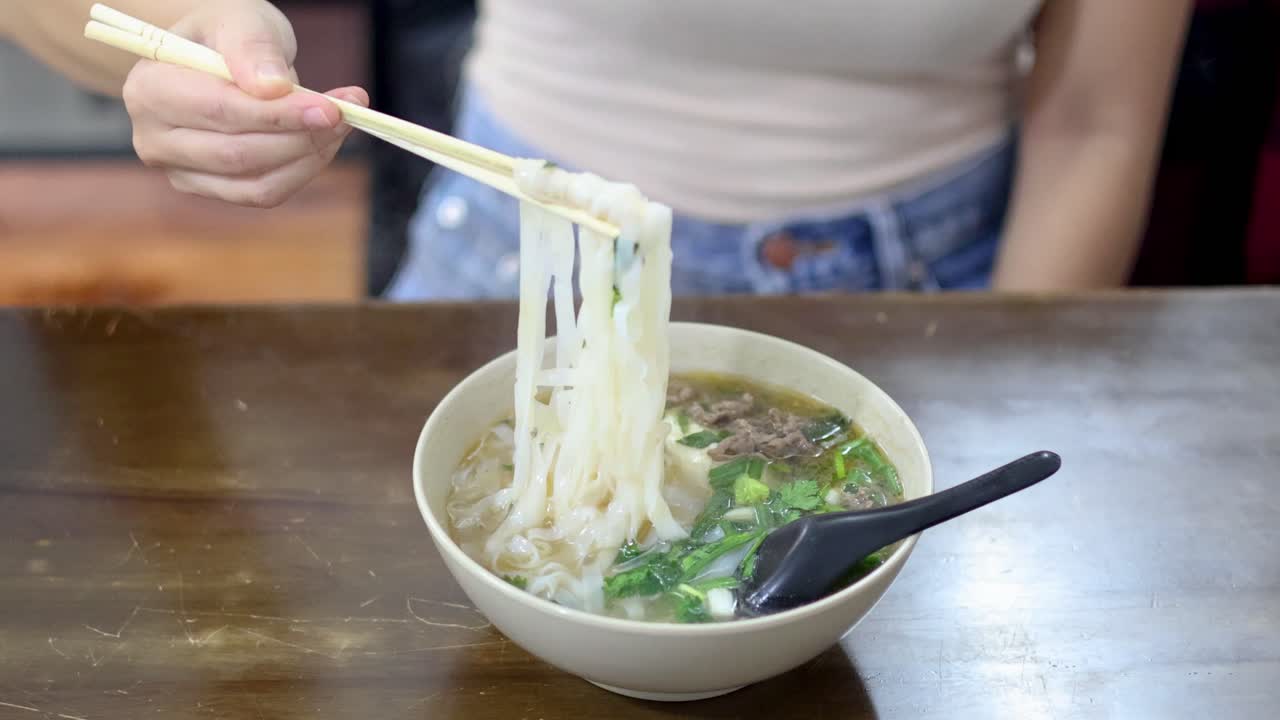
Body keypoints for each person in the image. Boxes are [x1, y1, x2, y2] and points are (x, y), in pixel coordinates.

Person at [3, 1, 1191, 298]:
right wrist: (197, 37)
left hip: (936, 283)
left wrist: (1021, 348)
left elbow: (1098, 119)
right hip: (510, 251)